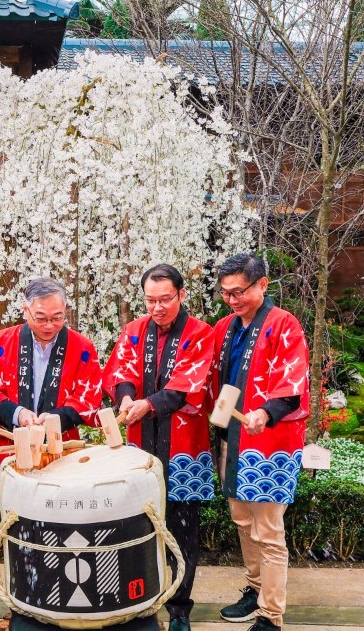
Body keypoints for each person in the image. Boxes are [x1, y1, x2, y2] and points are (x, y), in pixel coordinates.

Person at [102, 263, 216, 631]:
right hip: (138, 447)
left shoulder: (200, 334)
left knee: (182, 532)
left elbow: (188, 385)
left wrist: (147, 405)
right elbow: (119, 371)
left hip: (183, 447)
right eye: (150, 300)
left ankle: (180, 610)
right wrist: (125, 397)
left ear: (182, 295)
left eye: (165, 299)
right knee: (134, 526)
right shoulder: (134, 330)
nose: (157, 307)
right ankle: (139, 600)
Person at [211, 254, 310, 631]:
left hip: (269, 441)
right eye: (225, 293)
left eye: (239, 292)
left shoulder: (284, 324)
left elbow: (292, 383)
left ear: (262, 285)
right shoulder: (225, 327)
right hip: (232, 437)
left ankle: (272, 614)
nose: (232, 300)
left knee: (267, 529)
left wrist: (266, 412)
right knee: (241, 520)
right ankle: (255, 590)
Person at [0, 277, 102, 503]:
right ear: (25, 311)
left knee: (59, 516)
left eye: (57, 318)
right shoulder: (2, 342)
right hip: (10, 446)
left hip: (62, 447)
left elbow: (89, 399)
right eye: (41, 318)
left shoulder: (82, 348)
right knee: (9, 519)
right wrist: (18, 414)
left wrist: (55, 419)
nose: (49, 326)